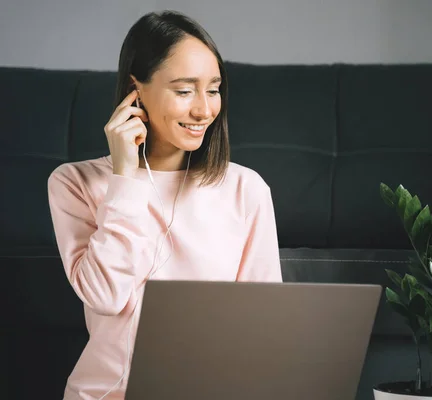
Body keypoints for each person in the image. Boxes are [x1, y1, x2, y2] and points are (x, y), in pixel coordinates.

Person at [47, 10, 282, 400]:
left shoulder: (246, 188)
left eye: (213, 89)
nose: (204, 110)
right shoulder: (73, 183)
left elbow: (263, 326)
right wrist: (124, 176)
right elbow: (106, 296)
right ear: (136, 90)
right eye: (185, 90)